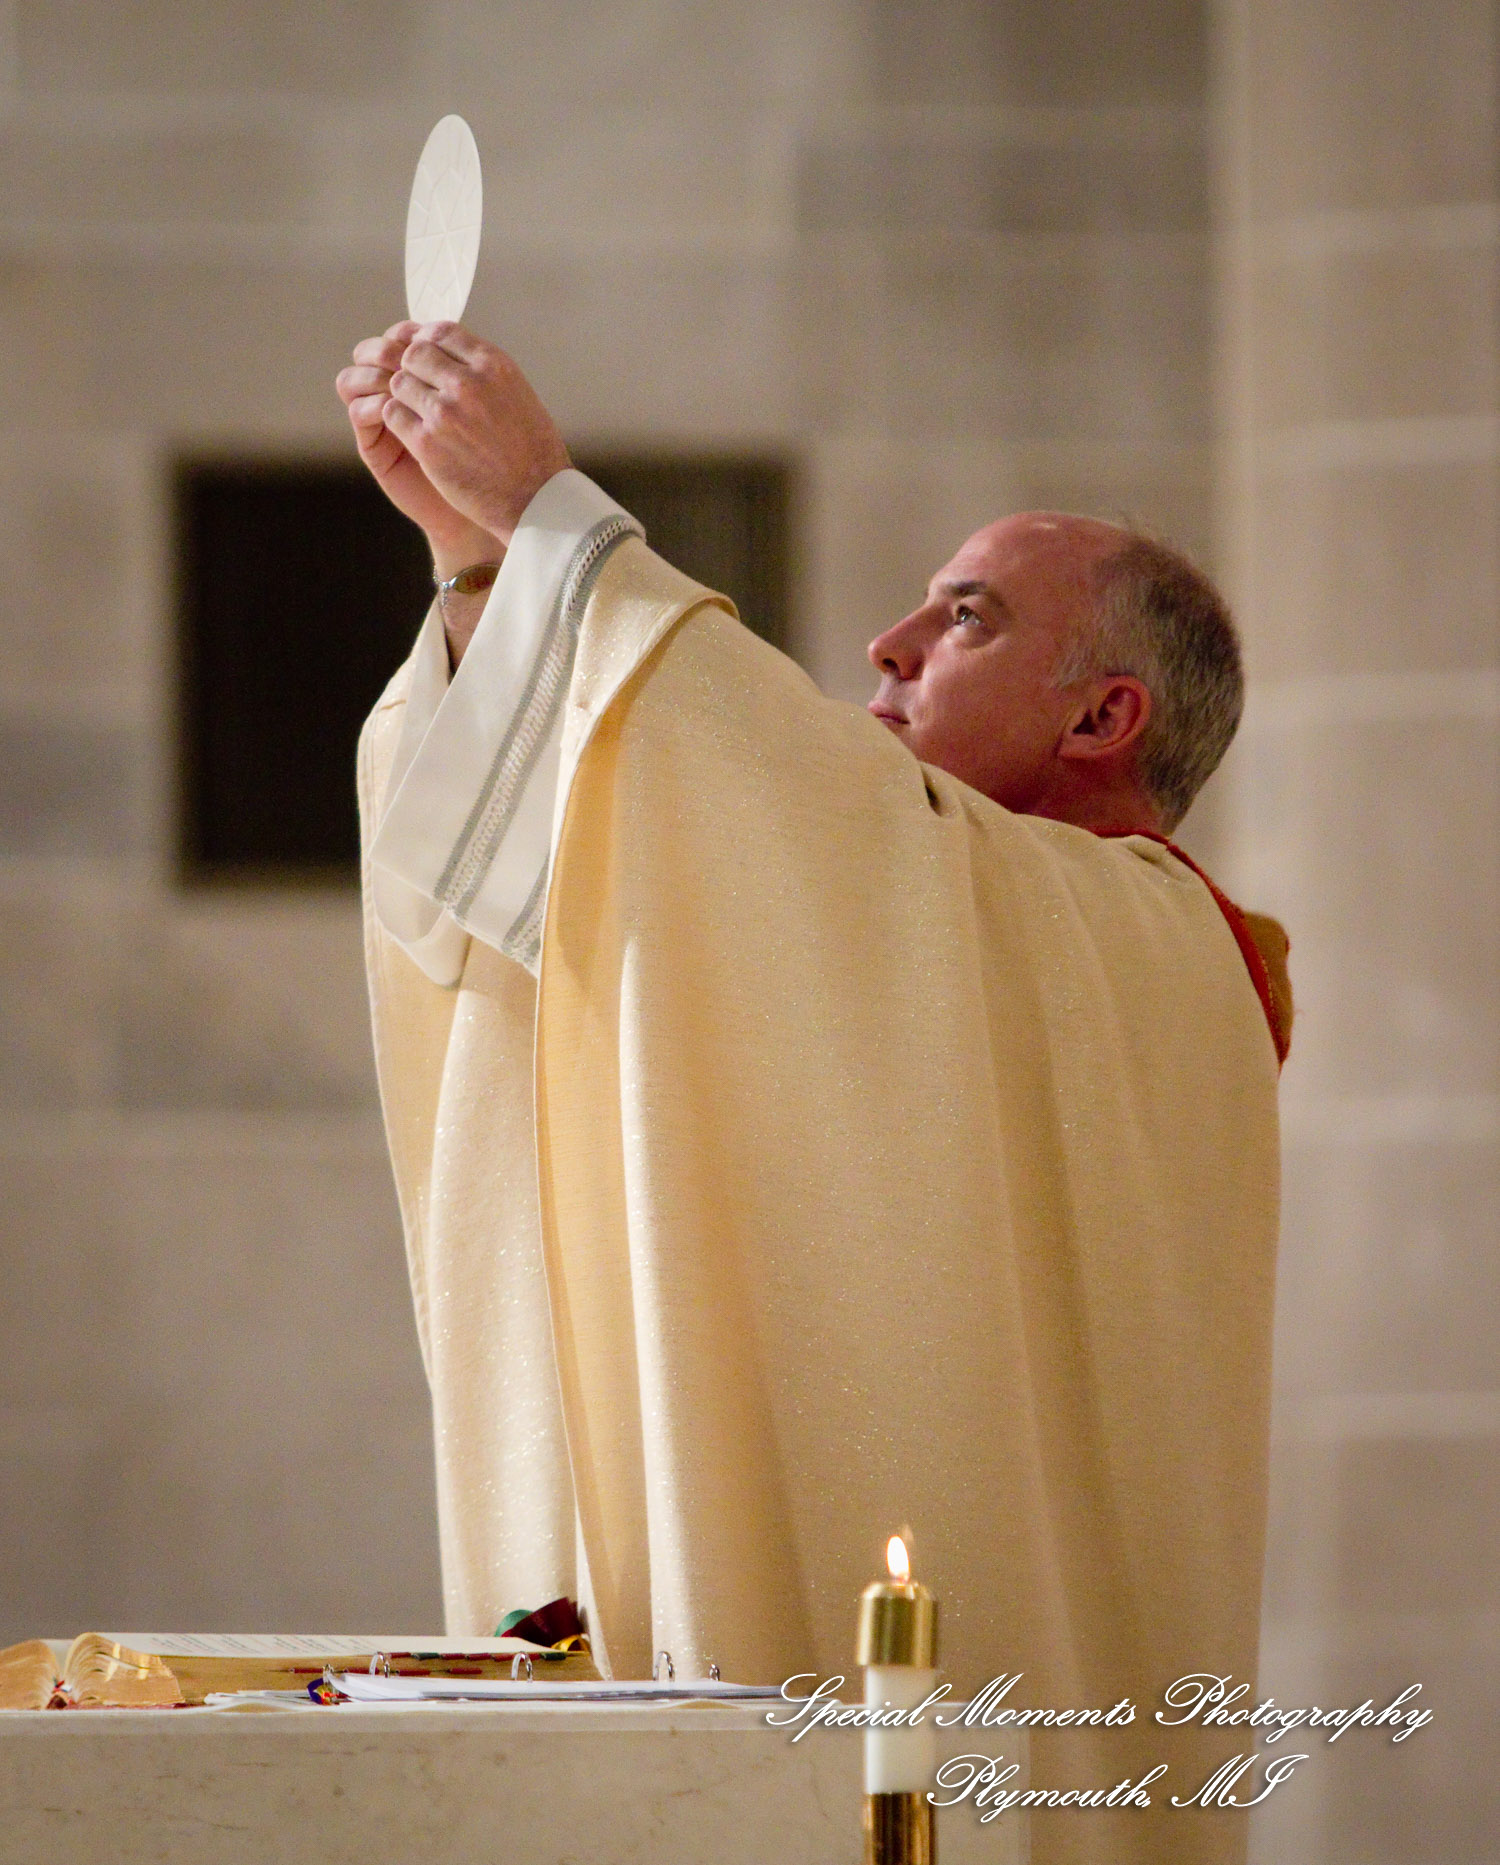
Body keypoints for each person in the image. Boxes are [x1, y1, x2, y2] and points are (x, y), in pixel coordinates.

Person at [339, 319, 1289, 1865]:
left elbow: (782, 792)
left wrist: (550, 523)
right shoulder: (945, 896)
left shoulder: (1149, 943)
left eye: (964, 617)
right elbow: (612, 870)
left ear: (1104, 716)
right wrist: (485, 583)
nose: (889, 644)